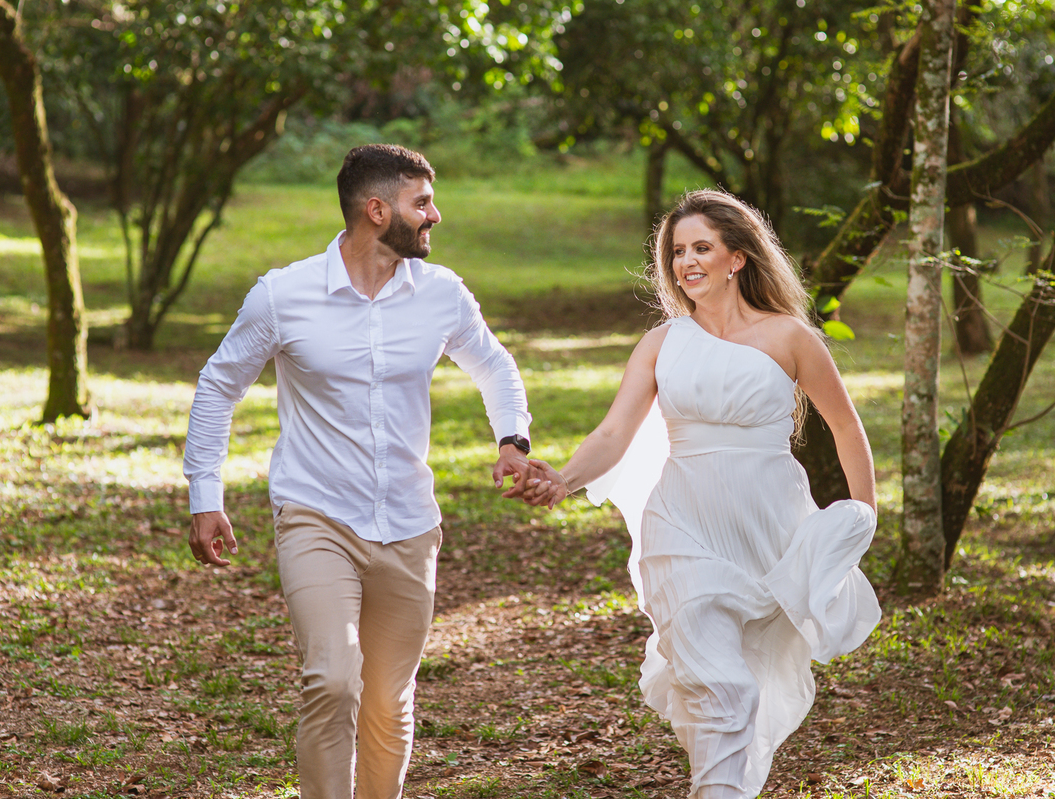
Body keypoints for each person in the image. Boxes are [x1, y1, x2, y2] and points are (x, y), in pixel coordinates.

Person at [183, 144, 535, 799]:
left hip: (407, 521)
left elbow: (494, 366)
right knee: (333, 678)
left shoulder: (440, 294)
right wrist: (207, 495)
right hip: (316, 514)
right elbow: (219, 384)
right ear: (377, 211)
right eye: (421, 202)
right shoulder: (283, 296)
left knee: (386, 697)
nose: (435, 213)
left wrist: (512, 440)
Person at [508, 189, 881, 798]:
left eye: (702, 247)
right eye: (678, 251)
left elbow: (845, 424)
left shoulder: (790, 337)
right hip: (682, 526)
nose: (687, 262)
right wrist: (563, 481)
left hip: (770, 530)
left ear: (737, 257)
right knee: (720, 688)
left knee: (748, 682)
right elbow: (613, 432)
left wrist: (863, 512)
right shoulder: (661, 343)